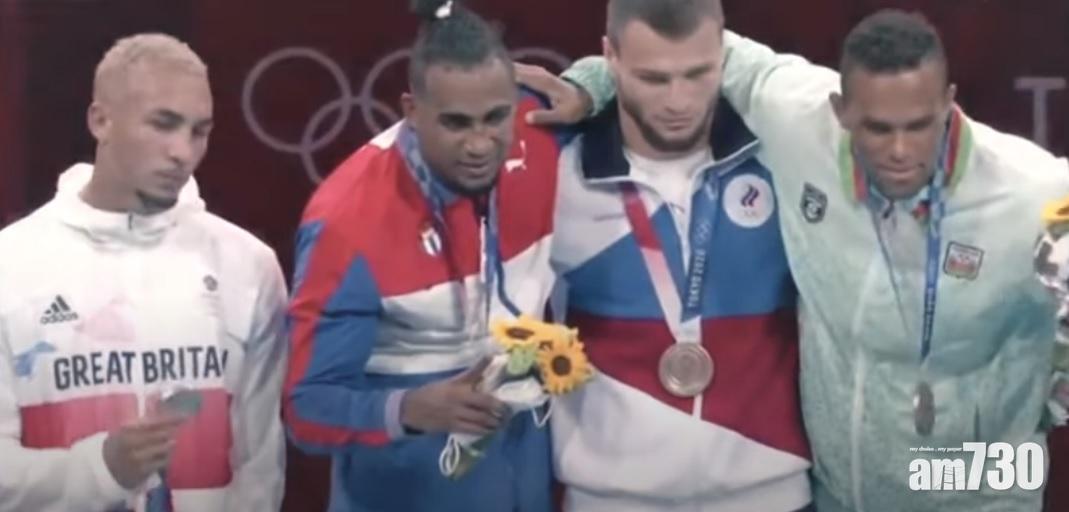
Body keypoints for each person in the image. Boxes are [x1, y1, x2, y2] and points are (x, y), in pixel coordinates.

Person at [526, 7, 1069, 511]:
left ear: (949, 101)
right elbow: (687, 44)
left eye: (921, 124)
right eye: (878, 128)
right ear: (841, 111)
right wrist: (591, 85)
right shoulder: (798, 122)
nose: (900, 150)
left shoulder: (1032, 192)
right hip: (837, 495)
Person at [524, 0, 813, 510]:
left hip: (772, 492)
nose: (678, 100)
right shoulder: (557, 175)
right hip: (608, 498)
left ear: (724, 55)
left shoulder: (782, 157)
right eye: (653, 79)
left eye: (697, 74)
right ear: (610, 58)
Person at [281, 1, 565, 511]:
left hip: (523, 482)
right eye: (456, 123)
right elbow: (306, 410)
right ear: (412, 112)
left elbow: (651, 77)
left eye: (495, 118)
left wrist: (588, 87)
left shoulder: (543, 128)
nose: (480, 144)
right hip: (402, 491)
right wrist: (408, 410)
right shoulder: (349, 220)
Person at [0, 33, 288, 512]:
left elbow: (259, 469)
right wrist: (102, 469)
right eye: (163, 124)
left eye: (199, 131)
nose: (182, 151)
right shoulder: (10, 265)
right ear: (101, 121)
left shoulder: (248, 266)